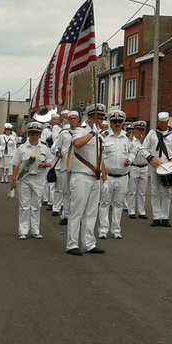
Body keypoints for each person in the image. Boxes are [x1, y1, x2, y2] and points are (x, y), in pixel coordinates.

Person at [66, 103, 107, 256]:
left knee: (91, 212)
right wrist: (92, 134)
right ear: (89, 118)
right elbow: (77, 144)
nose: (100, 121)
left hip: (95, 178)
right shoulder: (80, 131)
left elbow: (100, 159)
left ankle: (89, 243)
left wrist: (105, 179)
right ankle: (72, 244)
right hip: (81, 176)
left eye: (102, 118)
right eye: (97, 118)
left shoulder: (100, 136)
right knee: (77, 211)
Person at [10, 122, 51, 239]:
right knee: (24, 205)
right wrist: (14, 179)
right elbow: (16, 164)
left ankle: (35, 230)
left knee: (36, 205)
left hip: (39, 178)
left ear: (40, 135)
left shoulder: (44, 148)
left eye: (37, 134)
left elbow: (50, 161)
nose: (34, 136)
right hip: (25, 178)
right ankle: (23, 230)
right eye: (32, 134)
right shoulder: (22, 148)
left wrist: (45, 164)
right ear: (28, 134)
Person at [98, 109, 133, 239]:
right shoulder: (104, 136)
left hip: (123, 176)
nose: (117, 124)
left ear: (122, 123)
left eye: (119, 121)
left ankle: (116, 230)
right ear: (110, 123)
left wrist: (131, 158)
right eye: (114, 122)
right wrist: (103, 177)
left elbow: (135, 150)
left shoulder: (128, 138)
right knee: (104, 203)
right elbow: (99, 155)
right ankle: (103, 229)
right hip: (108, 175)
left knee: (118, 204)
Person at [143, 111, 172, 227]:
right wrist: (150, 158)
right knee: (154, 192)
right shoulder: (152, 133)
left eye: (165, 123)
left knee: (167, 192)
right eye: (161, 123)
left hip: (168, 166)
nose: (163, 125)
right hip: (155, 165)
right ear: (158, 122)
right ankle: (156, 216)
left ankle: (165, 217)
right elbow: (143, 148)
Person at [55, 111, 80, 225]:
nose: (73, 120)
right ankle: (65, 214)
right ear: (68, 120)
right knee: (66, 190)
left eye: (75, 118)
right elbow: (56, 147)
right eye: (71, 118)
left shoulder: (82, 132)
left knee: (77, 192)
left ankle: (75, 215)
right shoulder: (63, 133)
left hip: (78, 165)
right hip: (65, 164)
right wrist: (58, 153)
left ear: (78, 120)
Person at [127, 120, 150, 220]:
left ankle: (141, 211)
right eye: (138, 129)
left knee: (142, 191)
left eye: (142, 130)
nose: (140, 132)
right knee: (132, 190)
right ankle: (131, 210)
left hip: (144, 167)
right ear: (134, 130)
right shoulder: (131, 141)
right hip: (135, 166)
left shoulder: (147, 142)